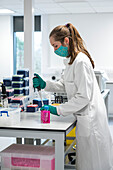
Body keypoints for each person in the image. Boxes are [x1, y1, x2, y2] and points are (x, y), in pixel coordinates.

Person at [33, 23, 113, 170]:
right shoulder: (70, 62)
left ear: (66, 41)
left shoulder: (80, 62)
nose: (54, 50)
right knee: (86, 162)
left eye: (56, 46)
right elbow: (64, 85)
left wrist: (58, 109)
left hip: (91, 119)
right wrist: (46, 85)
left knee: (93, 163)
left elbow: (83, 97)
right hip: (84, 118)